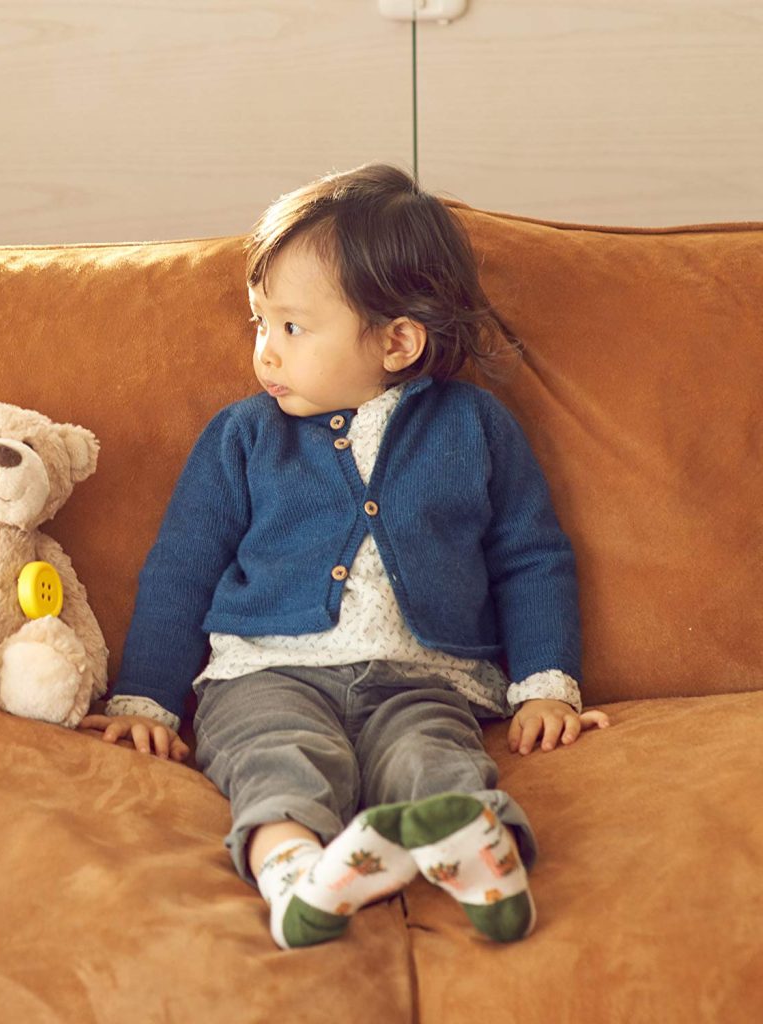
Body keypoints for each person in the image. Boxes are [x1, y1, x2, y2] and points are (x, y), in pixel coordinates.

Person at [81, 163, 609, 949]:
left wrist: (545, 685)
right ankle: (296, 872)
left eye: (292, 328)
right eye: (259, 324)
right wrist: (146, 698)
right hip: (267, 673)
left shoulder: (475, 427)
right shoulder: (242, 437)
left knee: (435, 756)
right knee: (276, 759)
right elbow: (181, 567)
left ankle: (480, 856)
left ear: (397, 340)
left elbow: (530, 558)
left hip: (422, 679)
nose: (266, 353)